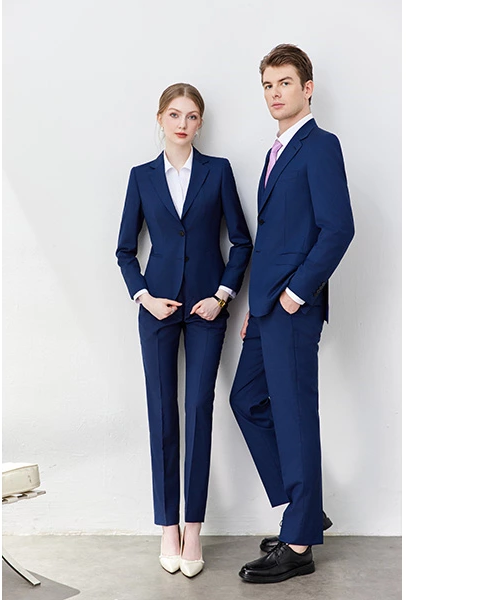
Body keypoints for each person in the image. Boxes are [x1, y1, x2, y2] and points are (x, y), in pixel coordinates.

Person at [229, 44, 355, 583]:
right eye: (268, 84)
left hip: (293, 307)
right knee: (246, 400)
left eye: (284, 82)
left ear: (307, 88)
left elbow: (338, 228)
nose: (275, 93)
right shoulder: (275, 151)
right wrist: (258, 305)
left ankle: (299, 544)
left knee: (295, 416)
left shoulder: (320, 145)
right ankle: (304, 511)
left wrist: (294, 295)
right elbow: (274, 238)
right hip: (266, 309)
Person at [116, 83, 252, 577]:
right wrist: (145, 297)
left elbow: (241, 242)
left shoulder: (218, 171)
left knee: (197, 409)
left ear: (200, 124)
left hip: (206, 311)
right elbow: (124, 250)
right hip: (156, 310)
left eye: (192, 116)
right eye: (174, 114)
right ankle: (167, 526)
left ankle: (193, 526)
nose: (182, 124)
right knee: (161, 414)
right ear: (160, 118)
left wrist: (222, 296)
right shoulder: (142, 177)